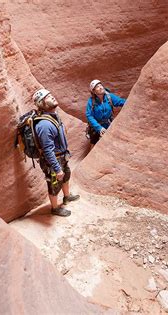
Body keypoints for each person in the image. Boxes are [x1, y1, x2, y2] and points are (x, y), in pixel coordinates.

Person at [32, 88, 80, 217]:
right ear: (42, 103)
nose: (52, 97)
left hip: (62, 156)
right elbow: (47, 150)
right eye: (48, 97)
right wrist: (57, 168)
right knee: (54, 184)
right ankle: (54, 208)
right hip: (53, 159)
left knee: (66, 176)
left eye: (51, 94)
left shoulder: (54, 116)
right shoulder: (44, 124)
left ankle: (67, 196)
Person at [85, 79, 126, 148]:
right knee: (94, 144)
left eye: (101, 85)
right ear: (94, 92)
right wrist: (99, 128)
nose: (100, 87)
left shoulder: (109, 97)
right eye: (97, 87)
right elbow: (89, 116)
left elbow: (121, 102)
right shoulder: (91, 101)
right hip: (96, 127)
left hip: (108, 124)